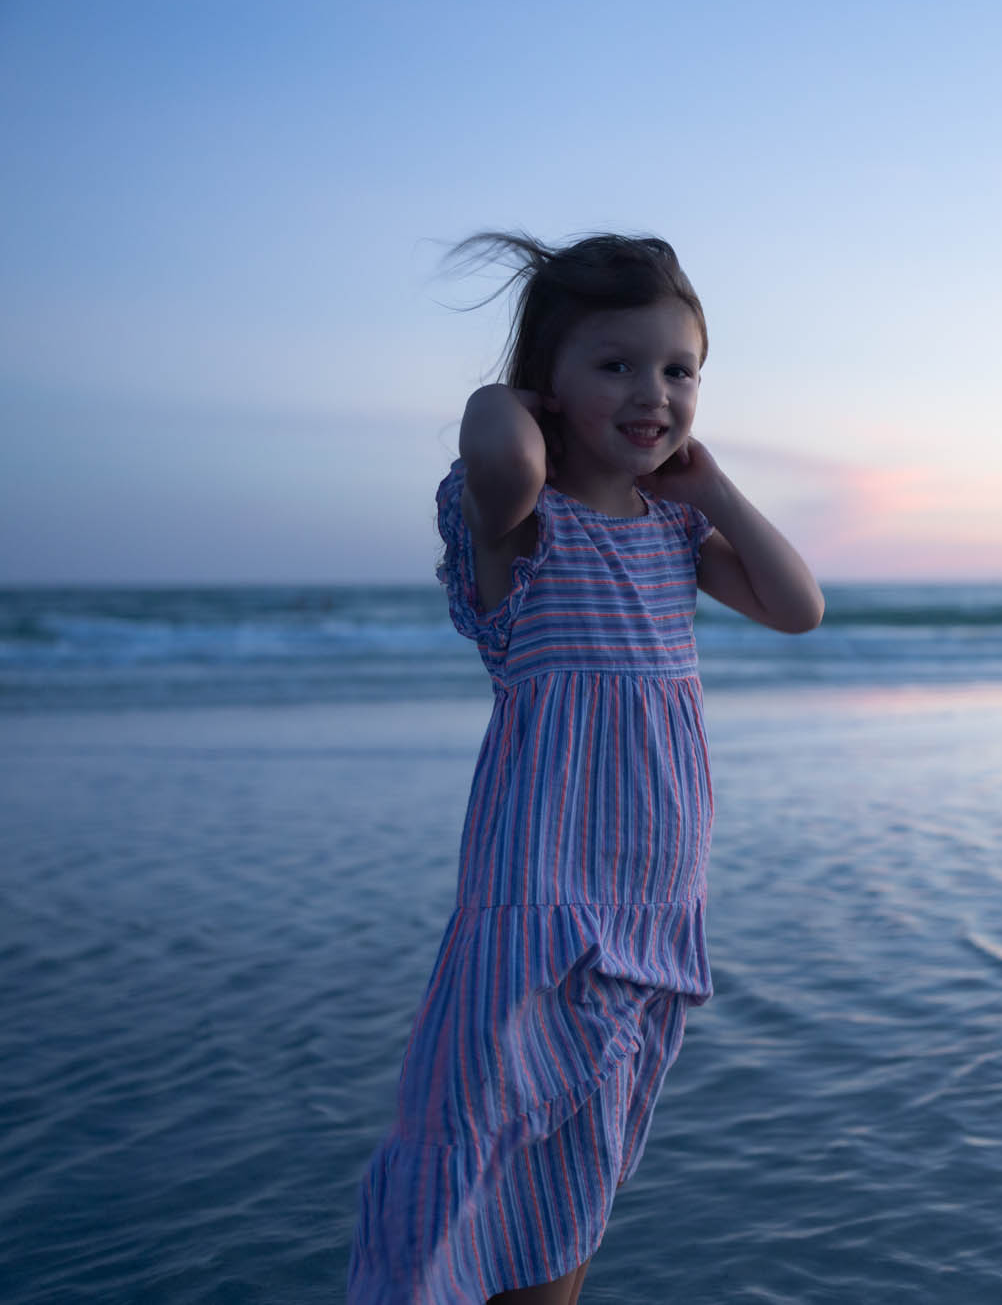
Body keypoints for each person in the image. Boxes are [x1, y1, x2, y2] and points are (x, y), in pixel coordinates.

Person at [347, 231, 823, 1305]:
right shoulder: (519, 523)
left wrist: (718, 489)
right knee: (467, 1134)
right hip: (535, 900)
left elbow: (799, 608)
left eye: (677, 369)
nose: (652, 393)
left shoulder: (672, 533)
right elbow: (501, 454)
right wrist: (509, 401)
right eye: (613, 365)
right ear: (546, 387)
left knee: (579, 1155)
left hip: (651, 905)